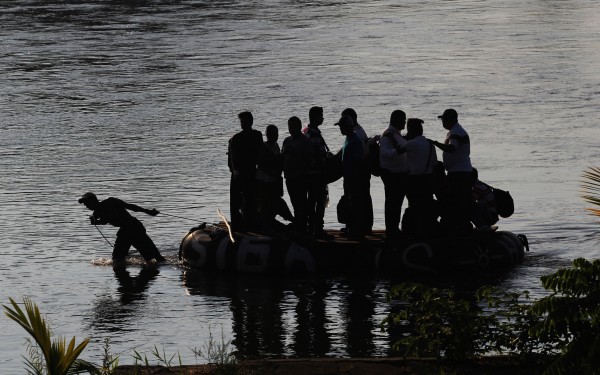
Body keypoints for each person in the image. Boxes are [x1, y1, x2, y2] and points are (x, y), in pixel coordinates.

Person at [78, 192, 165, 264]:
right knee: (119, 258)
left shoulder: (111, 201)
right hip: (126, 230)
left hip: (133, 227)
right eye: (85, 204)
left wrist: (148, 211)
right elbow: (105, 221)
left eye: (87, 203)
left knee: (153, 256)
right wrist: (95, 222)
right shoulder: (96, 213)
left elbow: (130, 206)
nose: (86, 205)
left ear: (94, 200)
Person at [431, 108, 474, 233]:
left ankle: (461, 228)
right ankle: (461, 226)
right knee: (459, 201)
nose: (442, 122)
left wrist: (435, 143)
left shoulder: (456, 133)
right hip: (458, 172)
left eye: (444, 119)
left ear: (451, 120)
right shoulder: (453, 131)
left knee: (458, 202)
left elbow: (451, 148)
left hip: (459, 174)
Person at [399, 118, 439, 236]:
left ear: (411, 130)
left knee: (414, 206)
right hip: (428, 179)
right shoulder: (430, 144)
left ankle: (414, 231)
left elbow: (398, 150)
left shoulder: (412, 143)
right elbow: (434, 163)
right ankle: (427, 230)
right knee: (426, 206)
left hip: (414, 180)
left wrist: (391, 137)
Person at [228, 111, 264, 232]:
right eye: (242, 122)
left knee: (250, 199)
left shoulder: (257, 135)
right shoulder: (236, 138)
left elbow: (260, 154)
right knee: (235, 201)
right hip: (238, 173)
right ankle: (237, 226)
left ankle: (250, 223)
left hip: (251, 171)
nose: (243, 124)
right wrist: (236, 172)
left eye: (245, 121)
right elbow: (233, 158)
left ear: (251, 122)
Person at [336, 115, 371, 237]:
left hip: (354, 177)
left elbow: (358, 161)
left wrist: (354, 178)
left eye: (341, 127)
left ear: (348, 127)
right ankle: (351, 227)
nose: (340, 129)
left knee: (355, 204)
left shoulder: (355, 141)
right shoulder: (348, 138)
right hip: (348, 176)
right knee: (350, 203)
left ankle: (357, 230)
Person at [256, 125, 294, 233]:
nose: (275, 136)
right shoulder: (263, 147)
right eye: (272, 134)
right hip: (264, 180)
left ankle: (284, 220)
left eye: (276, 134)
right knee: (267, 203)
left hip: (274, 181)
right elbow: (262, 164)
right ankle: (269, 223)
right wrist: (273, 173)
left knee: (275, 201)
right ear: (267, 135)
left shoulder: (276, 146)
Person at [303, 106, 333, 239]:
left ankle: (311, 227)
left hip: (310, 174)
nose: (323, 117)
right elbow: (317, 155)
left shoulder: (308, 131)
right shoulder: (313, 134)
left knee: (312, 201)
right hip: (316, 174)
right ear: (315, 117)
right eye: (321, 115)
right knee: (320, 201)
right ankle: (318, 228)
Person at [378, 110, 408, 238]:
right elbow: (385, 153)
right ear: (396, 120)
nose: (405, 122)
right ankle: (391, 229)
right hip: (391, 174)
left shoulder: (396, 135)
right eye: (403, 120)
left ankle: (394, 227)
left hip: (399, 174)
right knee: (392, 203)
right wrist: (398, 150)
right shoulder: (387, 136)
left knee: (397, 202)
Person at [283, 116, 312, 233]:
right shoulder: (287, 141)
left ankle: (303, 226)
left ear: (300, 127)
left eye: (294, 126)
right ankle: (298, 225)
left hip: (300, 178)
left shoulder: (305, 141)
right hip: (289, 177)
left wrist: (302, 173)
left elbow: (308, 159)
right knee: (294, 202)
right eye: (290, 126)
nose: (291, 128)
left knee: (301, 203)